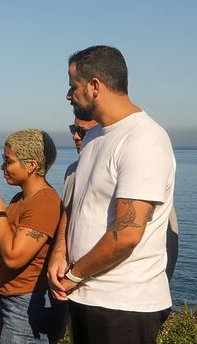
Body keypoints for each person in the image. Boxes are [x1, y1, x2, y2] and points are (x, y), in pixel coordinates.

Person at [48, 45, 175, 344]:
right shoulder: (93, 136)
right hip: (87, 295)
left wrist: (74, 274)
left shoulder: (143, 139)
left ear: (94, 86)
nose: (68, 95)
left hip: (123, 304)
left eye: (72, 86)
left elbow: (127, 233)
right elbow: (76, 205)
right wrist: (60, 251)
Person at [0, 129, 66, 344]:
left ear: (31, 166)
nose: (3, 166)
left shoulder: (44, 203)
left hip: (29, 305)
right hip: (14, 301)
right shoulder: (20, 199)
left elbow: (15, 257)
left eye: (8, 160)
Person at [63, 116, 179, 282]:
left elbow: (167, 238)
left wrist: (163, 279)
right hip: (75, 287)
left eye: (83, 131)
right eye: (73, 130)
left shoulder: (133, 165)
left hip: (121, 284)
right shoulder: (72, 172)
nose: (75, 136)